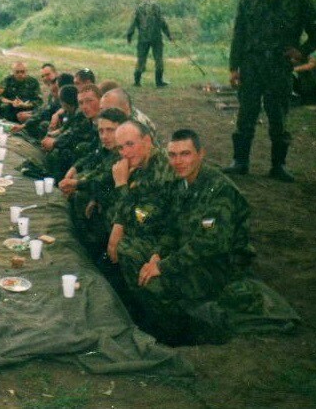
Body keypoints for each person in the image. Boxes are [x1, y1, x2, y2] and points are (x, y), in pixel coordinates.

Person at [130, 129, 255, 345]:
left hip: (222, 265)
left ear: (201, 154)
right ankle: (164, 325)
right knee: (138, 262)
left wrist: (165, 266)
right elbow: (173, 227)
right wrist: (157, 256)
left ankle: (176, 337)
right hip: (192, 254)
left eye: (185, 154)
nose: (178, 161)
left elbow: (208, 245)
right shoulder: (183, 183)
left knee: (156, 283)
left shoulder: (221, 191)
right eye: (172, 155)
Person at [225, 0, 316, 182]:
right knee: (246, 115)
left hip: (279, 68)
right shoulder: (248, 0)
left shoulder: (298, 0)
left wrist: (302, 51)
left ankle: (278, 166)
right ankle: (240, 162)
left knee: (278, 117)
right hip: (251, 66)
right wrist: (234, 68)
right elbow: (238, 36)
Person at [105, 121, 178, 313]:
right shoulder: (140, 164)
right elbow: (128, 209)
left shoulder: (161, 168)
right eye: (121, 147)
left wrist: (121, 185)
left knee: (126, 248)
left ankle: (149, 311)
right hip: (159, 227)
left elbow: (143, 220)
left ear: (147, 140)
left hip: (170, 234)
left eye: (130, 144)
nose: (125, 152)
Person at [59, 107, 128, 262]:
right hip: (112, 197)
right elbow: (98, 169)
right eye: (101, 131)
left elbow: (105, 178)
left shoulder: (125, 152)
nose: (104, 136)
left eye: (110, 130)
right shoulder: (109, 148)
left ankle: (94, 254)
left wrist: (77, 184)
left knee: (86, 198)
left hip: (126, 208)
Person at [42, 84, 101, 180]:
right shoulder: (91, 119)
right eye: (81, 103)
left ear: (101, 100)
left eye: (89, 101)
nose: (85, 107)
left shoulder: (107, 122)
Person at [127, 0, 172, 87]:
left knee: (141, 59)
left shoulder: (138, 8)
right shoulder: (156, 6)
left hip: (143, 38)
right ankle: (159, 82)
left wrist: (129, 35)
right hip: (156, 37)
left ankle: (137, 81)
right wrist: (168, 34)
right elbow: (162, 21)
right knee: (158, 58)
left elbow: (133, 23)